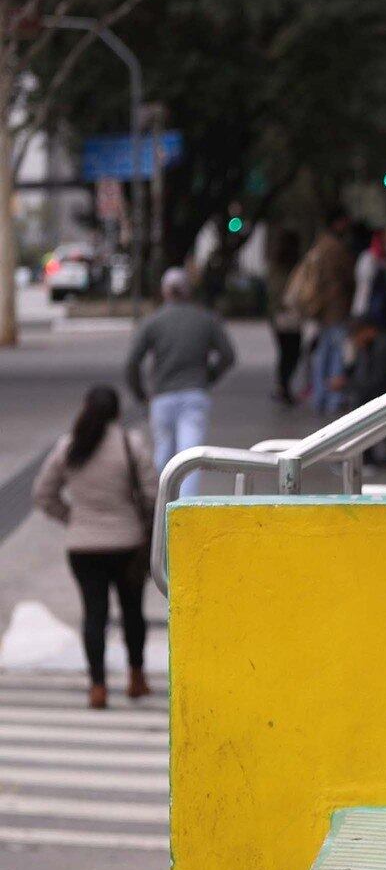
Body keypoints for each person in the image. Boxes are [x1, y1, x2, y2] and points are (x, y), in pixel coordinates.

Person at [32, 385, 158, 709]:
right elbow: (152, 495)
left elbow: (43, 494)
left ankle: (98, 687)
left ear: (85, 408)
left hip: (83, 547)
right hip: (127, 544)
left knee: (94, 614)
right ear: (117, 412)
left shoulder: (69, 446)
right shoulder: (132, 445)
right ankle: (136, 677)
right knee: (132, 611)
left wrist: (72, 517)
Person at [125, 267, 236, 496]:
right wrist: (209, 376)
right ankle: (186, 509)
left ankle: (158, 506)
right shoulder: (205, 319)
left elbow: (131, 363)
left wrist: (141, 395)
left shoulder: (153, 322)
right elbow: (228, 355)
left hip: (162, 396)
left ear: (164, 291)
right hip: (195, 393)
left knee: (162, 455)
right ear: (189, 291)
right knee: (190, 456)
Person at [289, 207, 356, 414]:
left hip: (321, 309)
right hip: (335, 308)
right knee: (336, 355)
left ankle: (320, 397)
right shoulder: (335, 248)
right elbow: (347, 277)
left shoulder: (319, 245)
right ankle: (332, 399)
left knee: (323, 354)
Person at [332, 315, 386, 465]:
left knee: (363, 406)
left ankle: (365, 453)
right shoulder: (372, 345)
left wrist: (346, 384)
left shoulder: (383, 346)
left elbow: (376, 381)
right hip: (385, 391)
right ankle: (376, 453)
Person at [266, 227, 304, 405]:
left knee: (285, 353)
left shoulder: (274, 267)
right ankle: (284, 386)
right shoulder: (295, 267)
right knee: (292, 352)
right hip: (289, 314)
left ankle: (283, 386)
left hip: (278, 316)